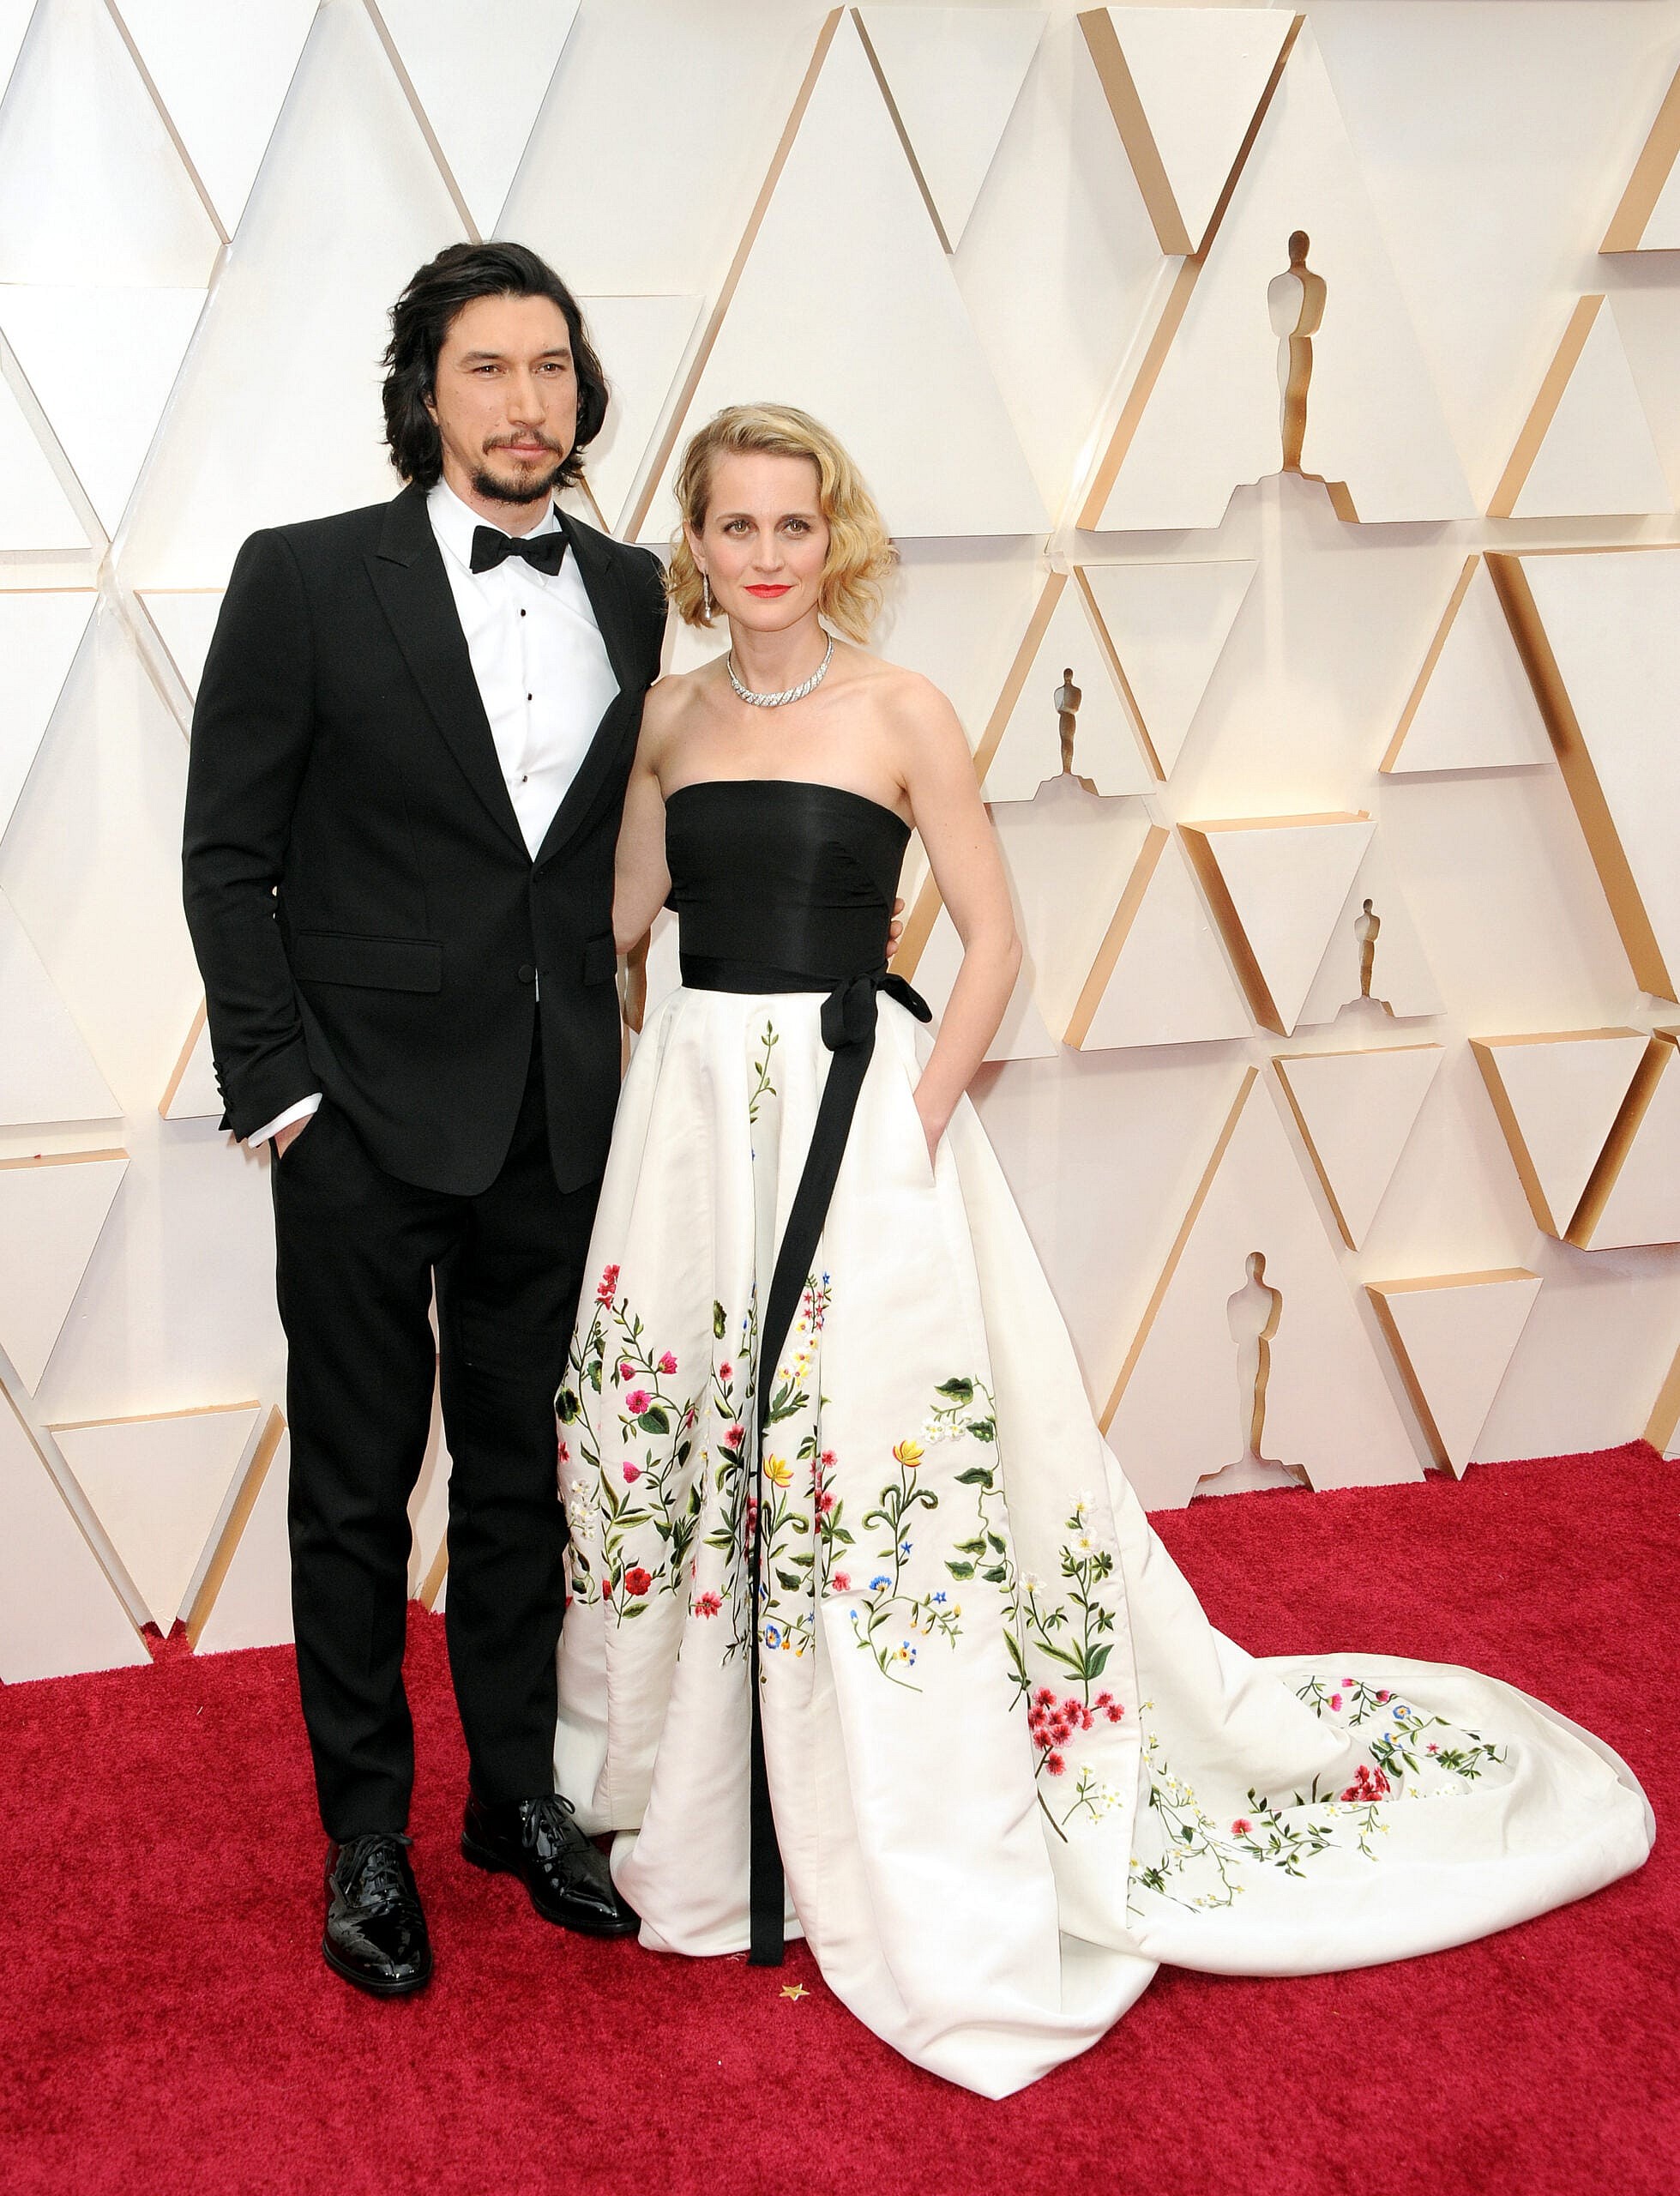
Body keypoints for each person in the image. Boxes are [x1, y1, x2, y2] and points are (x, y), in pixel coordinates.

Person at [551, 402, 1653, 2099]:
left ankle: (893, 1810)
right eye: (732, 528)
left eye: (790, 525)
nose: (762, 556)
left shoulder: (901, 709)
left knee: (868, 1482)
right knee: (692, 1460)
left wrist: (905, 1124)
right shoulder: (668, 720)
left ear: (826, 537)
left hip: (858, 1126)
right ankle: (711, 1818)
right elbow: (623, 928)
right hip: (699, 1130)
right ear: (691, 545)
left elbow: (991, 942)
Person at [183, 242, 663, 1997]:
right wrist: (283, 1093)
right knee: (356, 1490)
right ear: (425, 392)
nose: (525, 401)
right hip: (363, 1120)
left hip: (554, 1116)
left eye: (549, 366)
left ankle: (515, 1798)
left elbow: (602, 858)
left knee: (529, 1477)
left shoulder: (629, 590)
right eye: (487, 369)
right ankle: (365, 1834)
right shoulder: (303, 578)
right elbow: (228, 852)